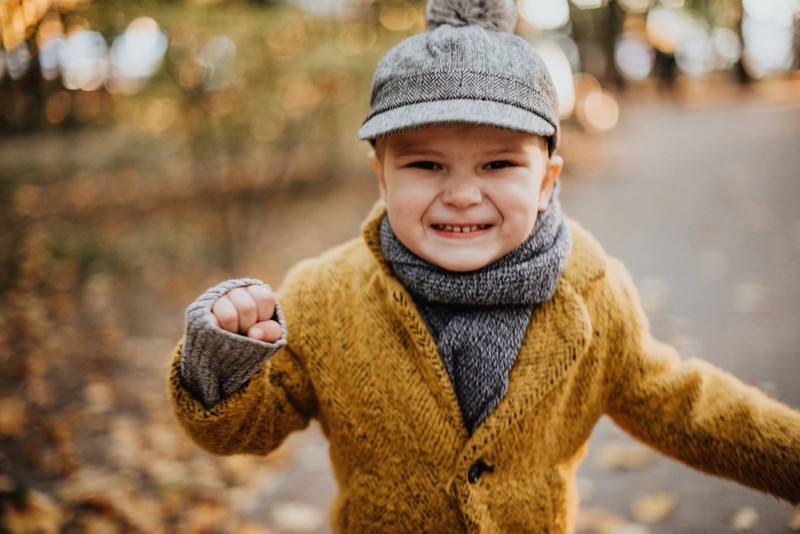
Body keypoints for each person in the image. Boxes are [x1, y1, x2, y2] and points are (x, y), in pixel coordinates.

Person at [169, 0, 800, 531]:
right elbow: (243, 431)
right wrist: (221, 364)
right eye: (425, 165)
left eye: (498, 165)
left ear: (548, 178)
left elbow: (681, 402)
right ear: (381, 177)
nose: (463, 194)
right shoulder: (323, 296)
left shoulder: (590, 290)